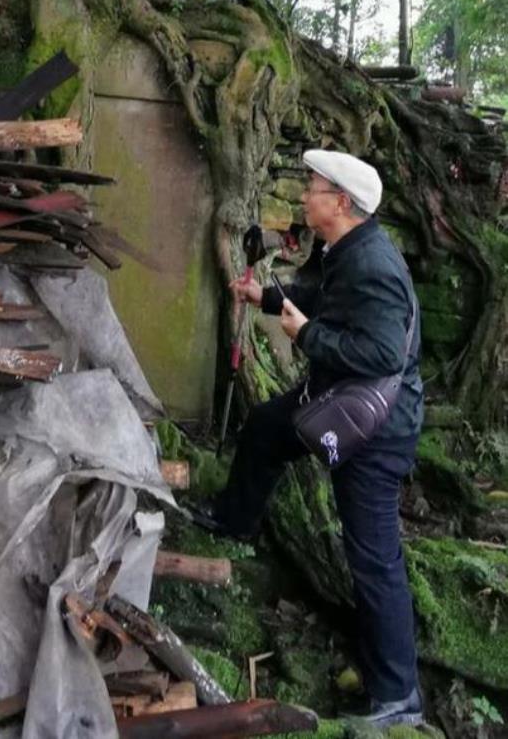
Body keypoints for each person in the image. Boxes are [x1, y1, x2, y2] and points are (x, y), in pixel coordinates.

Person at [202, 149, 425, 732]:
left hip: (374, 429)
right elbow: (321, 301)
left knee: (373, 558)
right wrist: (268, 300)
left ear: (342, 204)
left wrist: (305, 337)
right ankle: (235, 521)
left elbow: (380, 354)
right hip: (335, 400)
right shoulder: (342, 249)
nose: (305, 195)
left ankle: (399, 696)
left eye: (314, 188)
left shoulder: (374, 264)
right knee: (265, 430)